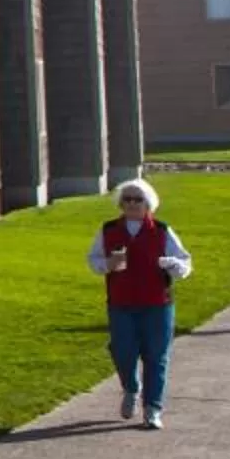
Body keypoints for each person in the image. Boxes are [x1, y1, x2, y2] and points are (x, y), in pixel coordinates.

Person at [87, 178, 194, 430]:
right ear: (120, 203)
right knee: (122, 350)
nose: (132, 204)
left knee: (156, 357)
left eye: (138, 199)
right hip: (121, 302)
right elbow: (93, 258)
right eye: (127, 199)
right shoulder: (109, 229)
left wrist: (173, 265)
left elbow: (185, 263)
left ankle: (152, 409)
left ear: (149, 204)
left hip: (157, 303)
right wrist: (106, 265)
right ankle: (131, 388)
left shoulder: (161, 230)